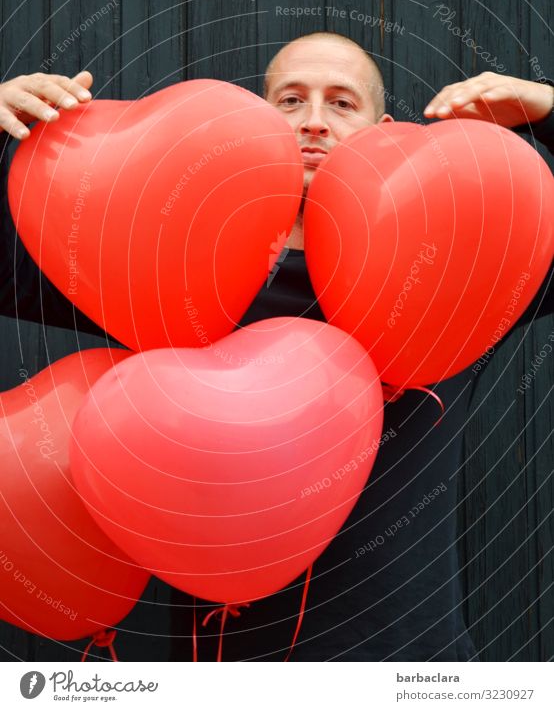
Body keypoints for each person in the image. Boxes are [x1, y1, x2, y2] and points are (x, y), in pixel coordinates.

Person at [0, 33, 552, 662]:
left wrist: (548, 111)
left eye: (342, 104)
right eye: (290, 101)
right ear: (259, 120)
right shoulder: (161, 270)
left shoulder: (456, 271)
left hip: (415, 668)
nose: (313, 122)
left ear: (384, 130)